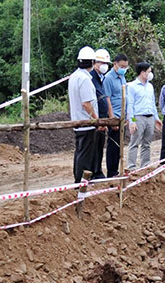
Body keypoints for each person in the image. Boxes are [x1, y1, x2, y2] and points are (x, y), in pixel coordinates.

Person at [68, 46, 99, 183]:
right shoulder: (85, 79)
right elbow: (86, 103)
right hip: (86, 122)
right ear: (92, 62)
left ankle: (78, 179)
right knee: (85, 154)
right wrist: (96, 119)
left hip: (77, 121)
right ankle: (81, 181)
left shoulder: (74, 76)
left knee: (79, 152)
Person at [126, 62, 162, 171]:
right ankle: (131, 167)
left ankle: (145, 166)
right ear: (142, 72)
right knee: (135, 142)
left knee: (147, 143)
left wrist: (156, 118)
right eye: (149, 72)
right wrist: (132, 121)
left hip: (149, 116)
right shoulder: (132, 86)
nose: (150, 74)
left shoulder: (150, 86)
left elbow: (152, 103)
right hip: (138, 117)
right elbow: (130, 105)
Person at [103, 53, 129, 178]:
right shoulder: (108, 78)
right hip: (115, 116)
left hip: (123, 116)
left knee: (119, 146)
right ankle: (111, 172)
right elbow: (107, 99)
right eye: (122, 66)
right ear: (115, 64)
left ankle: (116, 171)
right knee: (113, 146)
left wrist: (128, 117)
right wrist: (112, 117)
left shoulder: (122, 77)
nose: (124, 69)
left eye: (126, 67)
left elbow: (125, 96)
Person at [89, 48, 112, 179]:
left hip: (102, 117)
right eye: (101, 63)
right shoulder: (91, 77)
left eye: (106, 64)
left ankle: (97, 170)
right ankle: (93, 172)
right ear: (94, 63)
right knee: (93, 146)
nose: (104, 66)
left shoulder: (101, 78)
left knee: (99, 146)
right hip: (95, 118)